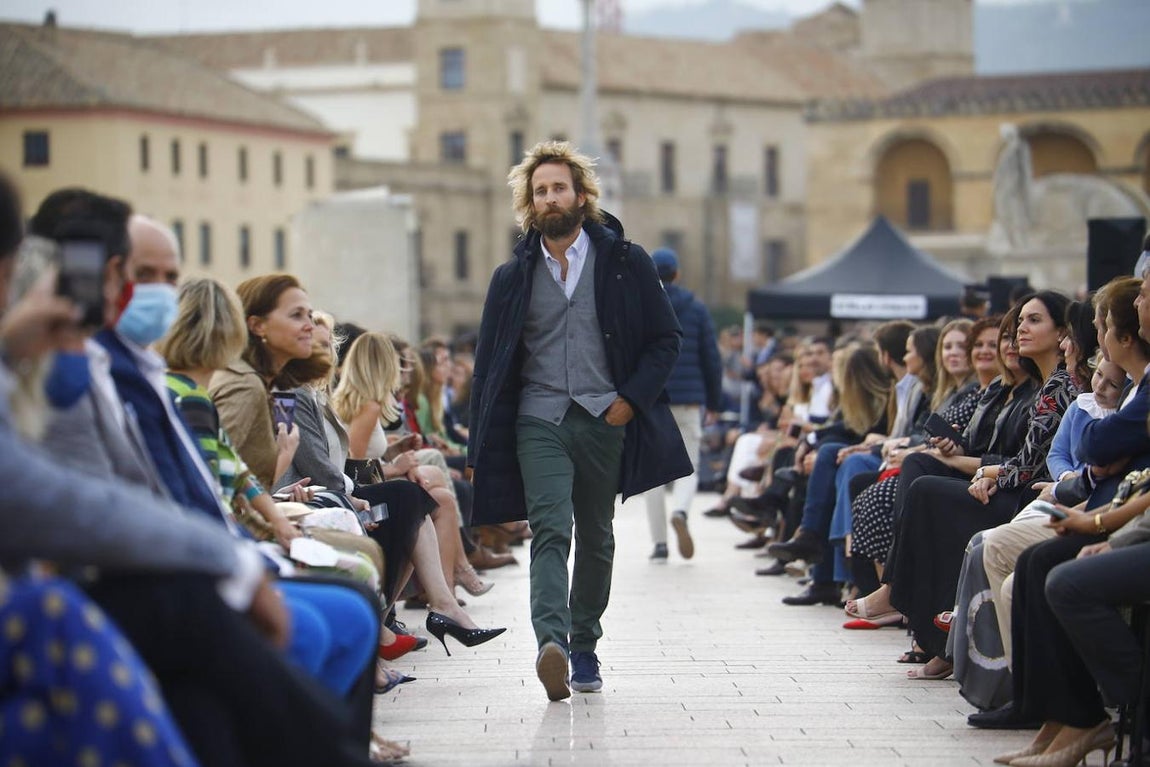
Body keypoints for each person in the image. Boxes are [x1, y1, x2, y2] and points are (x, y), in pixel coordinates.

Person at [468, 140, 690, 701]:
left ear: (581, 195)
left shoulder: (626, 263)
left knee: (596, 536)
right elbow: (489, 364)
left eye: (559, 187)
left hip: (603, 417)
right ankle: (553, 644)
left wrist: (630, 401)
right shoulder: (510, 277)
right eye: (540, 190)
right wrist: (479, 446)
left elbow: (666, 341)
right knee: (549, 531)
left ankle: (585, 642)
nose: (550, 198)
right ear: (529, 202)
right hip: (536, 418)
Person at [639, 247, 722, 562]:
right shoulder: (696, 308)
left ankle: (660, 544)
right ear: (677, 273)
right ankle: (681, 511)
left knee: (652, 473)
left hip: (651, 399)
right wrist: (713, 399)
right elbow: (710, 358)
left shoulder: (643, 306)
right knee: (690, 463)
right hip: (688, 399)